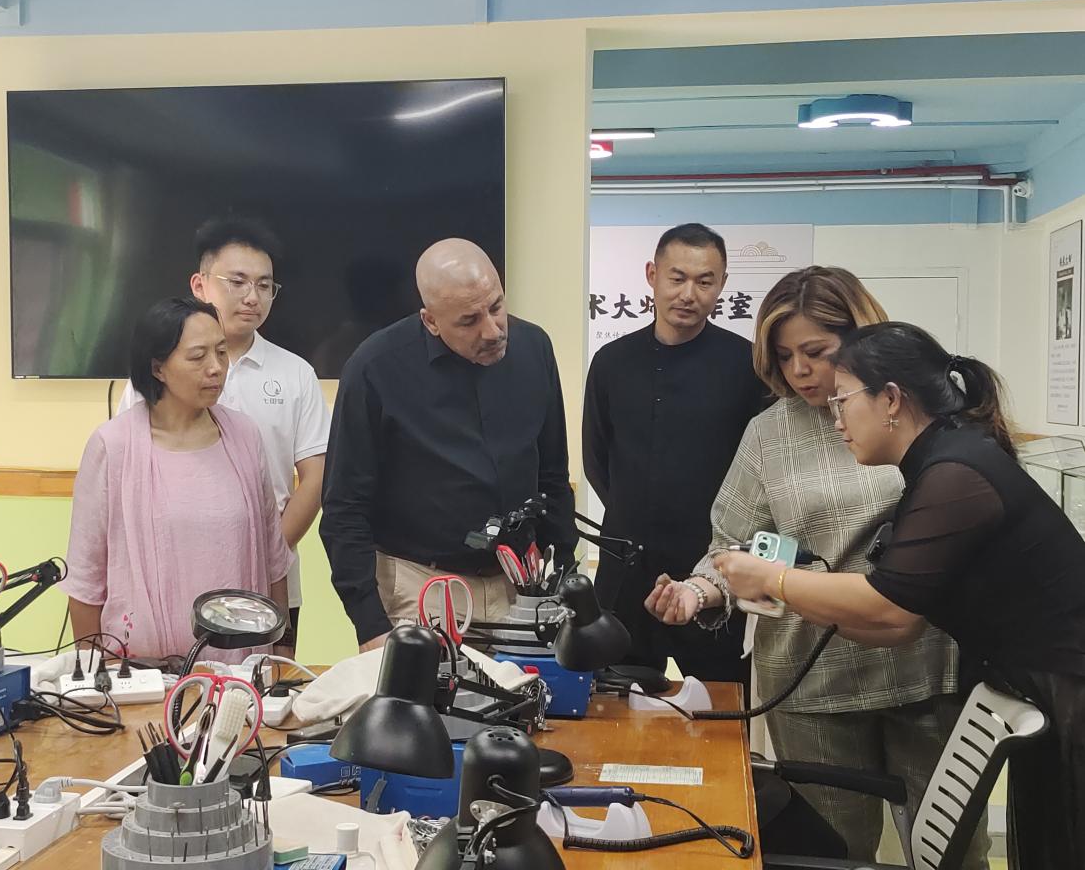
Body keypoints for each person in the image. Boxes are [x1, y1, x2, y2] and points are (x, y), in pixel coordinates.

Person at [713, 321, 1085, 870]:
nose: (836, 420)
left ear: (890, 399)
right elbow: (898, 625)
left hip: (1069, 684)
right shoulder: (939, 463)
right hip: (1043, 683)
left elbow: (887, 606)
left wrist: (772, 580)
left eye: (843, 401)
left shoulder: (957, 471)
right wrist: (781, 597)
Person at [645, 269, 984, 865]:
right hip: (810, 678)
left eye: (815, 352)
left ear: (860, 340)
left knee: (950, 853)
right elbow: (735, 543)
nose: (799, 370)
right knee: (831, 855)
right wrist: (699, 591)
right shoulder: (768, 433)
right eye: (784, 356)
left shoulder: (910, 416)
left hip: (926, 670)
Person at [321, 238, 579, 651]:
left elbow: (552, 475)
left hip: (521, 586)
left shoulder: (535, 349)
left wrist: (561, 576)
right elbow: (344, 507)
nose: (492, 330)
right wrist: (369, 623)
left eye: (496, 307)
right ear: (431, 321)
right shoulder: (374, 369)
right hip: (420, 589)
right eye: (468, 320)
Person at [119, 216, 329, 653]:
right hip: (171, 573)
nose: (252, 297)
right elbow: (130, 476)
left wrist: (264, 550)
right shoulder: (155, 378)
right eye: (237, 282)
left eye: (265, 285)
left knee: (266, 682)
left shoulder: (295, 374)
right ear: (200, 285)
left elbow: (316, 477)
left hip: (271, 577)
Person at [65, 297, 292, 663]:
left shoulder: (245, 436)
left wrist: (281, 650)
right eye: (198, 356)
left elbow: (274, 557)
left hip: (239, 669)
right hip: (140, 671)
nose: (216, 368)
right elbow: (85, 577)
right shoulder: (113, 445)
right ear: (158, 368)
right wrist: (93, 669)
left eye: (221, 353)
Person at [583, 223, 764, 684]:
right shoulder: (612, 362)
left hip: (712, 574)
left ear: (722, 285)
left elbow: (758, 473)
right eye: (677, 277)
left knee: (720, 706)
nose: (688, 294)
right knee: (612, 702)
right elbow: (597, 459)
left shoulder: (746, 366)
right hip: (626, 571)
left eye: (704, 282)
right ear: (652, 275)